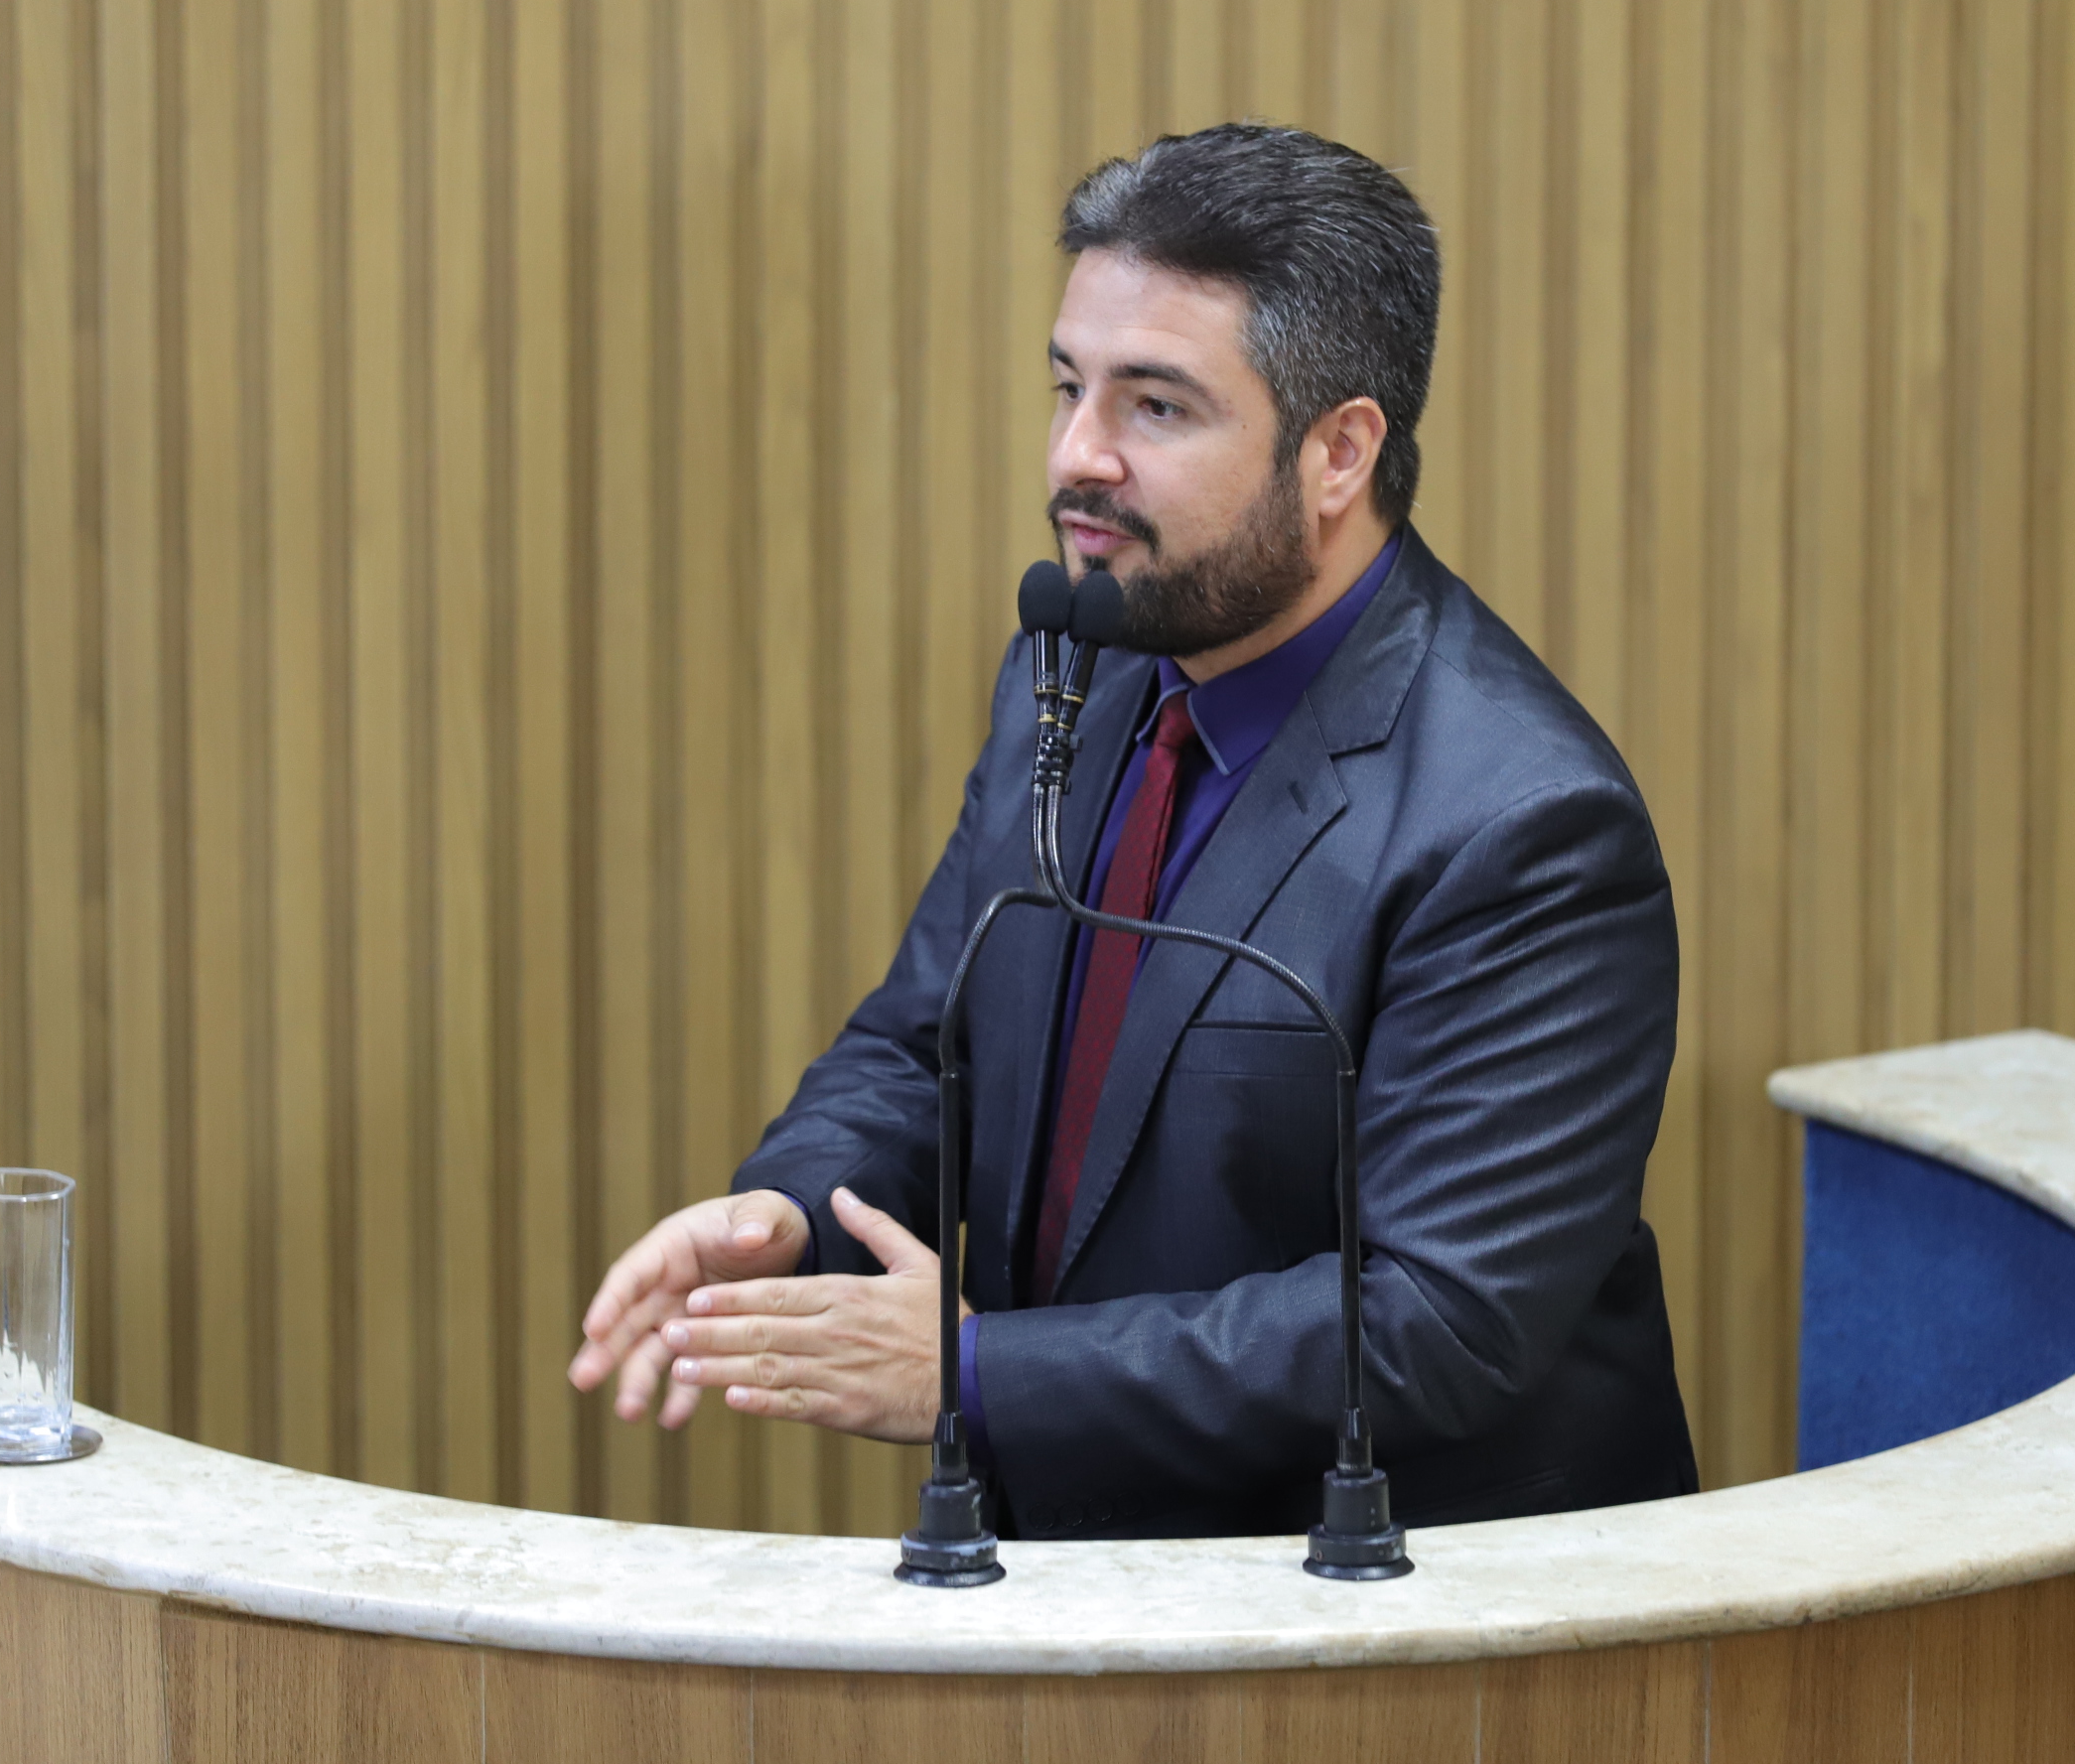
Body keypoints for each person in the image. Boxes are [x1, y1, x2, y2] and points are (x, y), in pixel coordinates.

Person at [568, 123, 1697, 1538]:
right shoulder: (1081, 667)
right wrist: (789, 1214)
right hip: (1084, 1568)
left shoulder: (1527, 825)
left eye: (1154, 407)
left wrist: (977, 1373)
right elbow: (929, 1040)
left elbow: (1438, 1319)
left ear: (1339, 451)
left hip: (1390, 1600)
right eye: (1068, 386)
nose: (1074, 457)